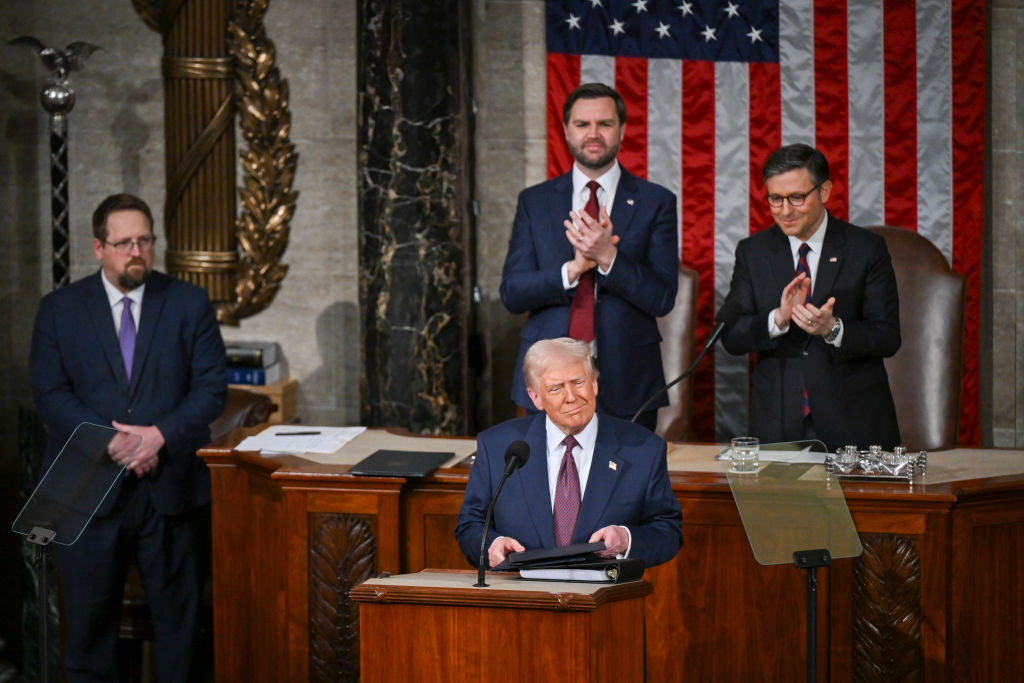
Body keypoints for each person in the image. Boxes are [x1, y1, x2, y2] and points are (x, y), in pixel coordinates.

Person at [29, 193, 226, 682]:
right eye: (124, 243)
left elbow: (210, 390)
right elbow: (50, 393)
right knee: (89, 633)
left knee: (181, 633)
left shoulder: (188, 303)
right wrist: (113, 444)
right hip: (88, 491)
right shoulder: (59, 310)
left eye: (145, 241)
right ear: (98, 247)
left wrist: (158, 436)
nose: (136, 252)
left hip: (171, 491)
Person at [500, 82, 679, 431]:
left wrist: (608, 256)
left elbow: (662, 297)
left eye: (605, 124)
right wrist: (574, 269)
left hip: (628, 378)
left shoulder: (655, 201)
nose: (593, 134)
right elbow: (512, 292)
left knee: (627, 483)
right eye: (582, 124)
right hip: (549, 377)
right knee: (549, 483)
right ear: (566, 130)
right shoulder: (535, 202)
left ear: (622, 130)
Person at [720, 144, 901, 451]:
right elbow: (731, 336)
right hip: (778, 422)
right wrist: (777, 320)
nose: (785, 210)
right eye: (775, 199)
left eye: (797, 198)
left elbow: (887, 337)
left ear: (825, 191)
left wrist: (833, 329)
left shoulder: (865, 249)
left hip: (853, 422)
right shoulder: (754, 252)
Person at [455, 338, 682, 570]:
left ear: (594, 384)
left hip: (604, 598)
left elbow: (668, 531)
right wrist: (492, 545)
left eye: (578, 382)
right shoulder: (497, 446)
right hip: (522, 595)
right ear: (536, 398)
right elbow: (471, 525)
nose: (571, 397)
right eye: (556, 388)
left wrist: (626, 539)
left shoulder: (643, 449)